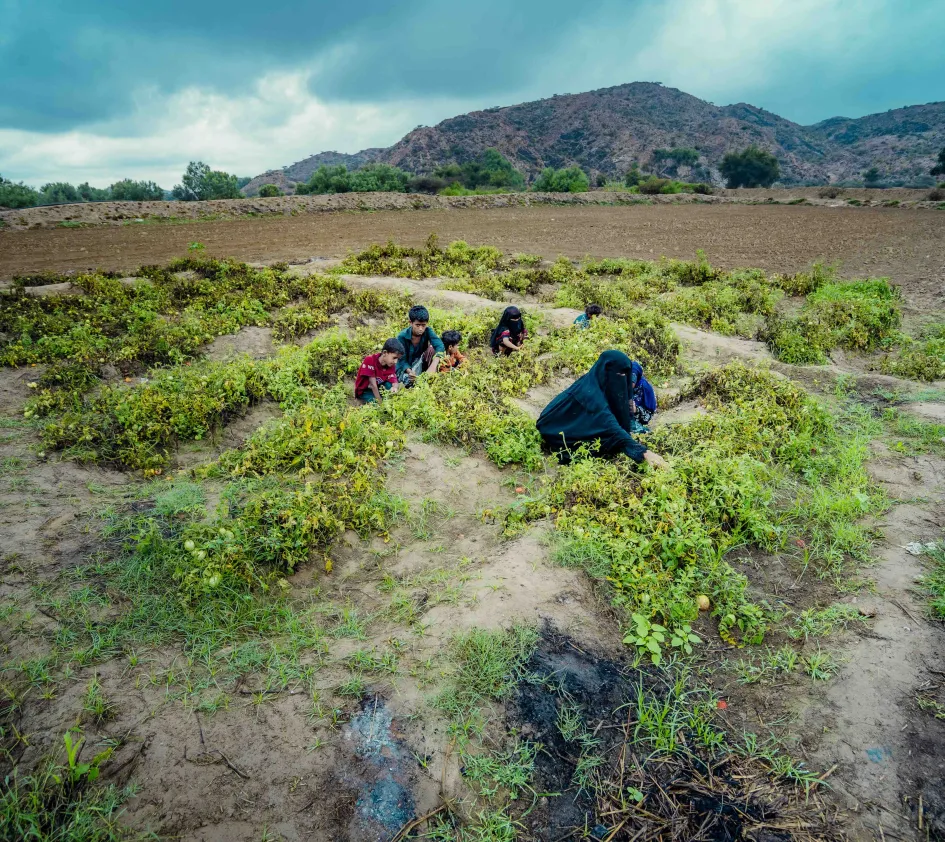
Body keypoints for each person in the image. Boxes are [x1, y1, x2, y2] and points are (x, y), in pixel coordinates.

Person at [536, 350, 667, 469]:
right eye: (618, 373)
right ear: (605, 371)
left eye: (624, 374)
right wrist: (644, 453)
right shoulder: (591, 392)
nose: (621, 378)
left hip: (577, 421)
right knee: (593, 445)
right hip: (553, 428)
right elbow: (607, 422)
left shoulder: (604, 385)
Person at [396, 305, 445, 386]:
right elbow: (402, 360)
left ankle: (428, 375)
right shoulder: (402, 336)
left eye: (423, 325)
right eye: (417, 325)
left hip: (419, 362)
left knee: (432, 349)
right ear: (410, 323)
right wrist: (409, 371)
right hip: (405, 367)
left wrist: (434, 364)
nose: (421, 329)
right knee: (408, 382)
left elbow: (440, 345)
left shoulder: (428, 331)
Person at [355, 338, 404, 403]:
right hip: (365, 390)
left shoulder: (390, 365)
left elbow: (393, 379)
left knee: (391, 387)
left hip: (378, 386)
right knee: (376, 404)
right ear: (384, 353)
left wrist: (394, 387)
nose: (395, 361)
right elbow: (373, 385)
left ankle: (385, 399)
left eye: (397, 359)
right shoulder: (370, 360)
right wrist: (380, 402)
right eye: (394, 358)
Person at [629, 360, 657, 433]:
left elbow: (648, 415)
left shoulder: (645, 388)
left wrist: (636, 410)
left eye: (633, 378)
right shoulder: (619, 382)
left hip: (636, 421)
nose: (631, 382)